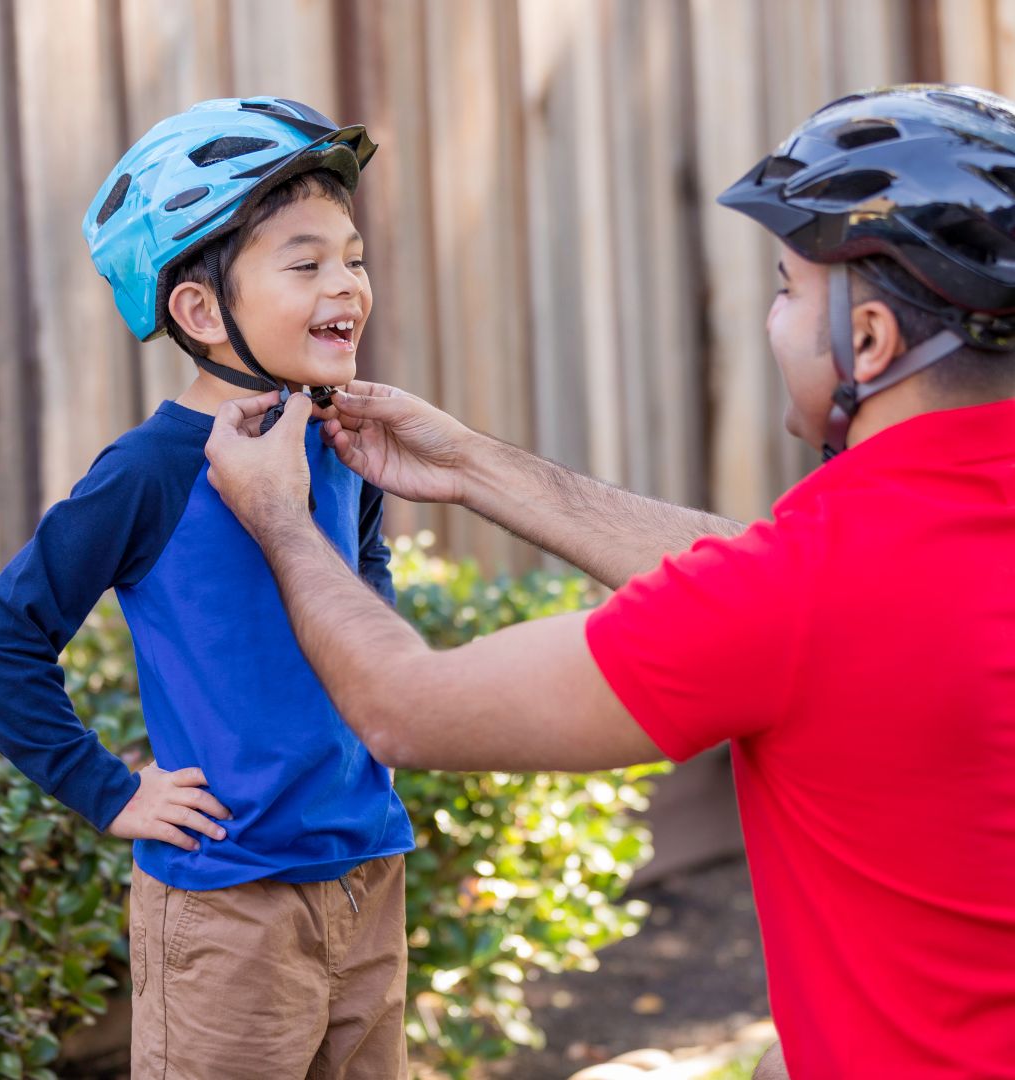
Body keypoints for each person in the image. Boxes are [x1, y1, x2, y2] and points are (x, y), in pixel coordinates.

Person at [204, 85, 1015, 1079]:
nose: (772, 317)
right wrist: (473, 468)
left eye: (787, 288)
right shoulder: (864, 559)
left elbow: (408, 709)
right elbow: (766, 589)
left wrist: (283, 520)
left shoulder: (814, 585)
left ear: (872, 341)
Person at [0, 96, 413, 1079]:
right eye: (306, 263)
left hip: (368, 872)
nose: (346, 284)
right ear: (201, 311)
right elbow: (1, 642)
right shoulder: (151, 472)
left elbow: (367, 577)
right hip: (229, 904)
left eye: (354, 257)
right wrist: (110, 790)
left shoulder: (339, 438)